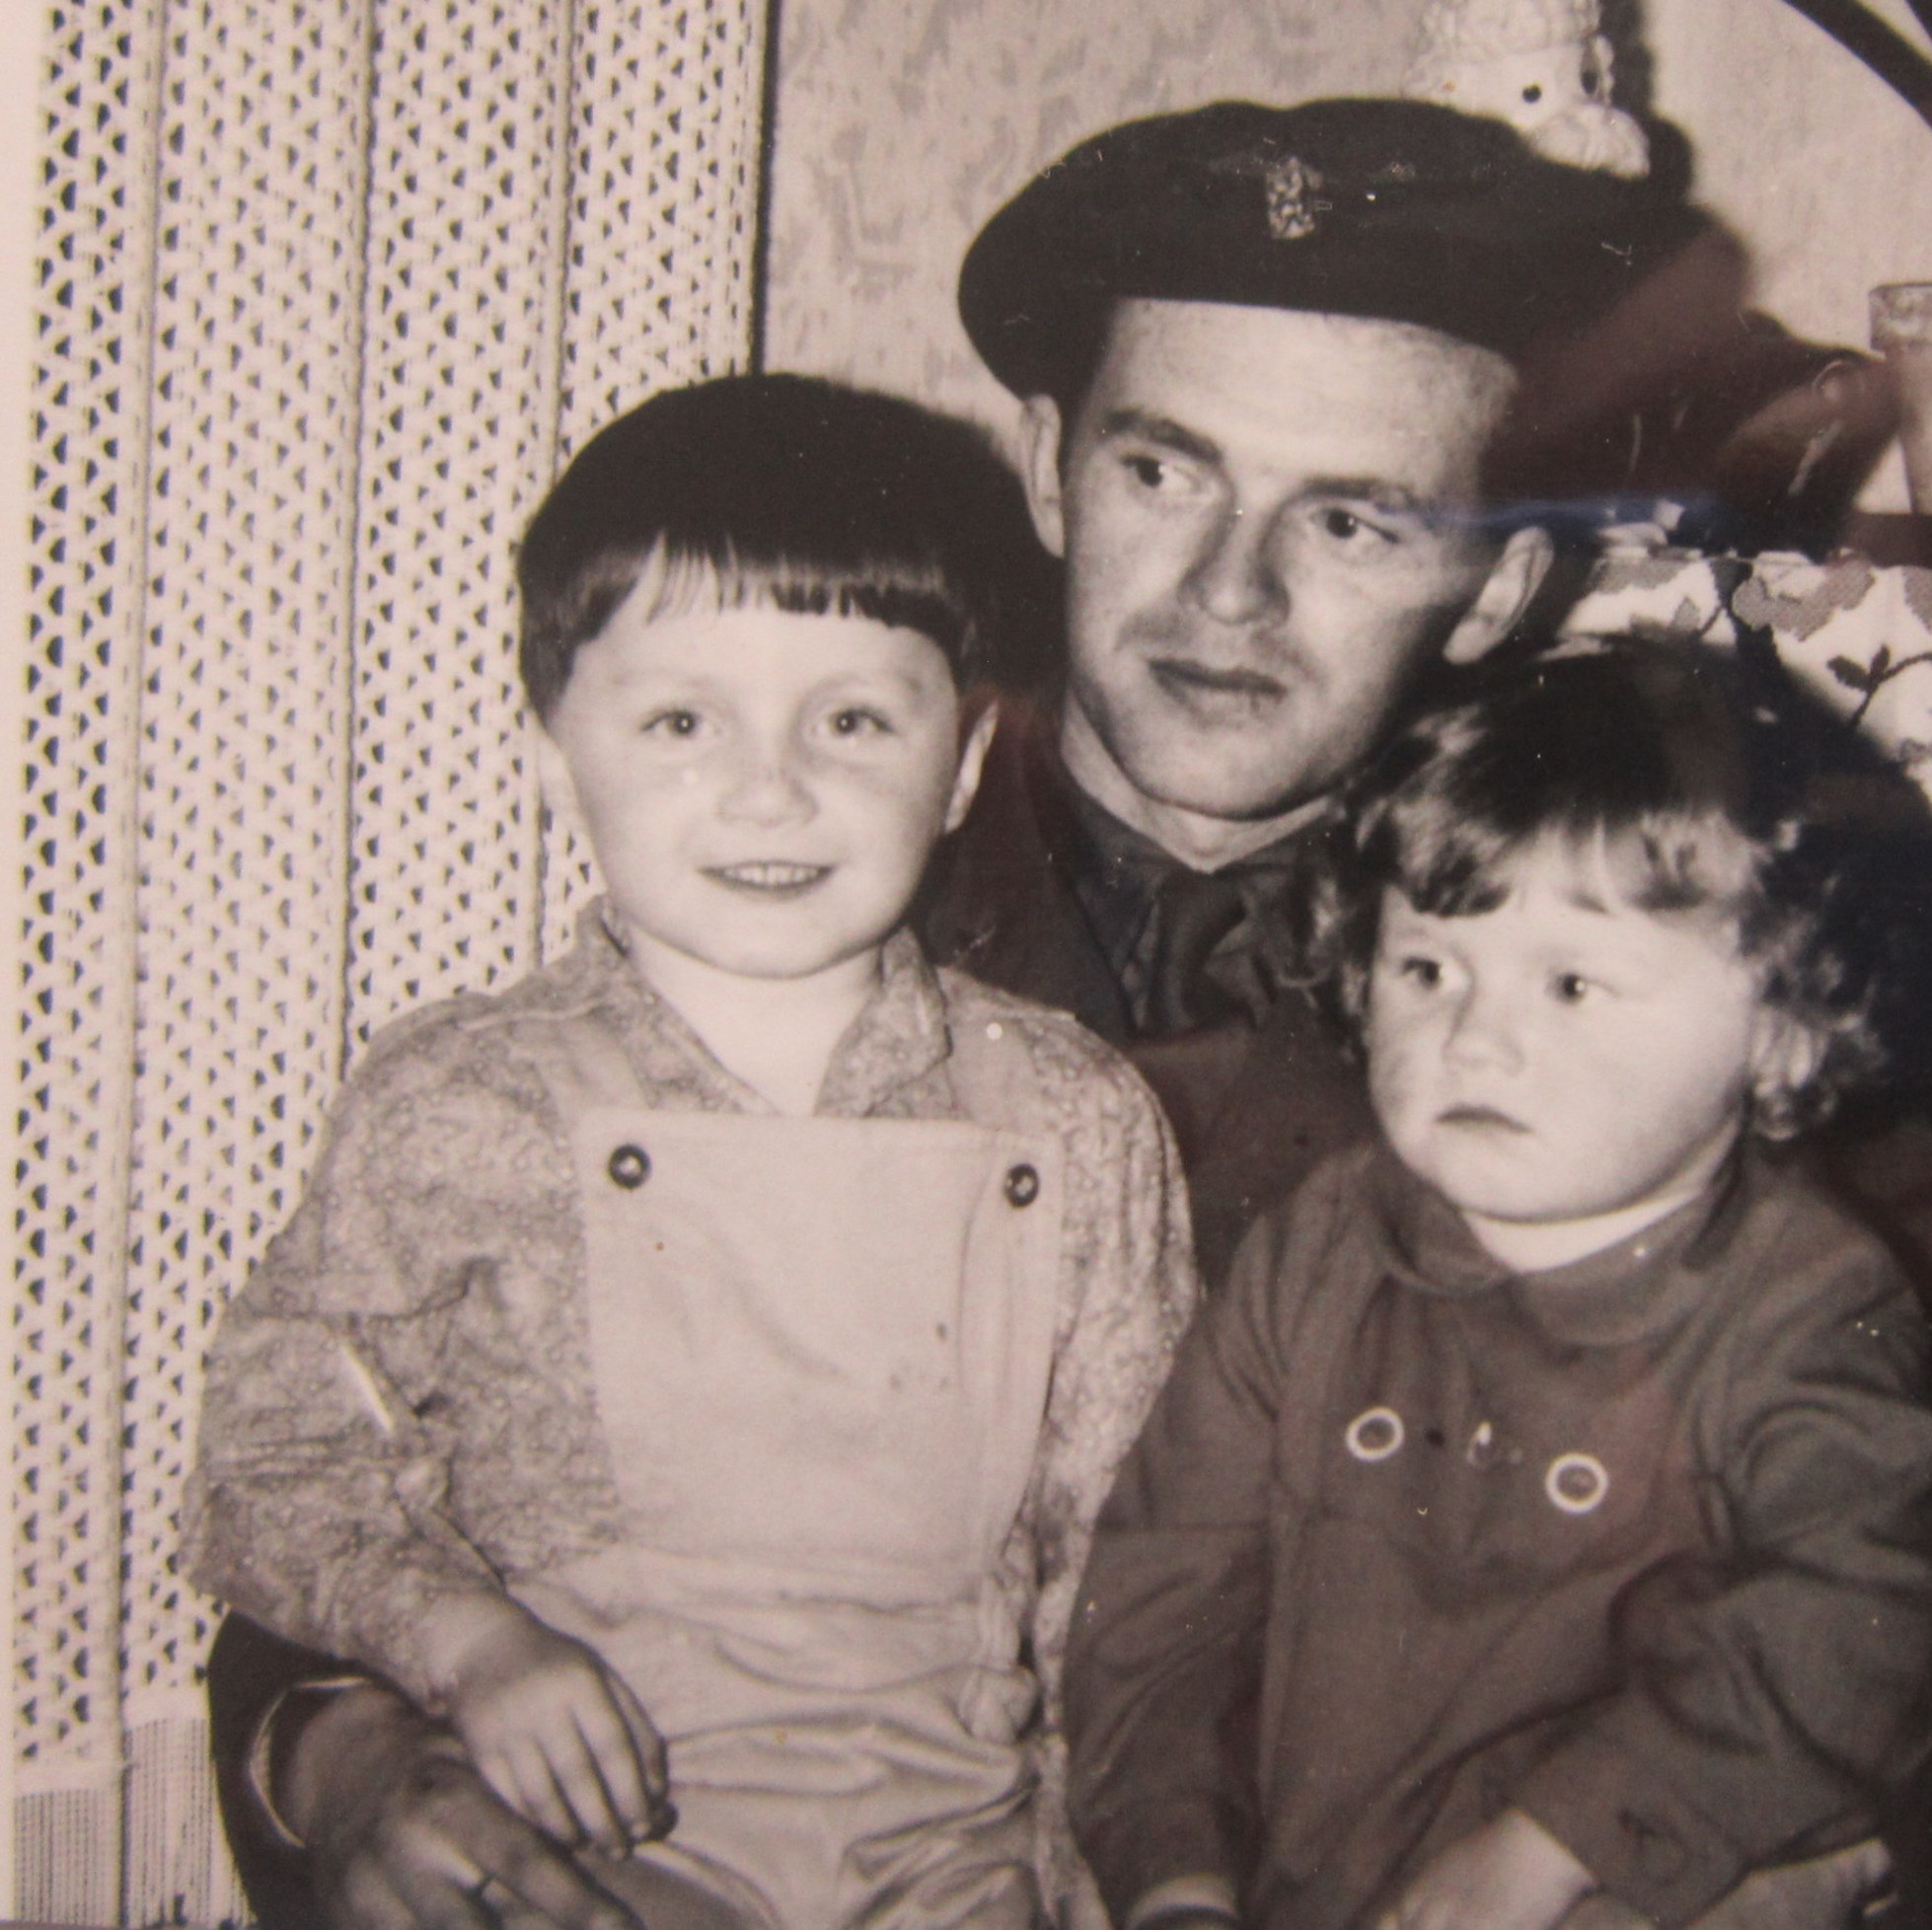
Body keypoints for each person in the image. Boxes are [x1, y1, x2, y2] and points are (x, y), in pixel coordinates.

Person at [206, 94, 1932, 1930]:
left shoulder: (1658, 955)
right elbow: (379, 1465)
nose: (1228, 596)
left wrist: (1815, 1864)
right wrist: (345, 1764)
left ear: (1500, 581)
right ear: (1050, 468)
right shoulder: (777, 905)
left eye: (1353, 519)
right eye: (1165, 474)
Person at [183, 374, 1199, 1930]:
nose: (772, 787)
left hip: (962, 1860)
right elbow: (270, 1459)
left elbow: (1127, 1573)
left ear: (963, 765)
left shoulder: (1076, 1116)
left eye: (852, 720)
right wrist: (467, 1646)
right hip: (579, 1858)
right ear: (553, 758)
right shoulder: (460, 1098)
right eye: (679, 722)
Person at [1064, 640, 1932, 1930]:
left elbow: (1856, 1624)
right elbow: (1159, 1602)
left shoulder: (1802, 1300)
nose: (1475, 1040)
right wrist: (1175, 1883)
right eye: (1428, 969)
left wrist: (1560, 1845)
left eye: (1573, 983)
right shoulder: (1315, 1251)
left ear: (1781, 1031)